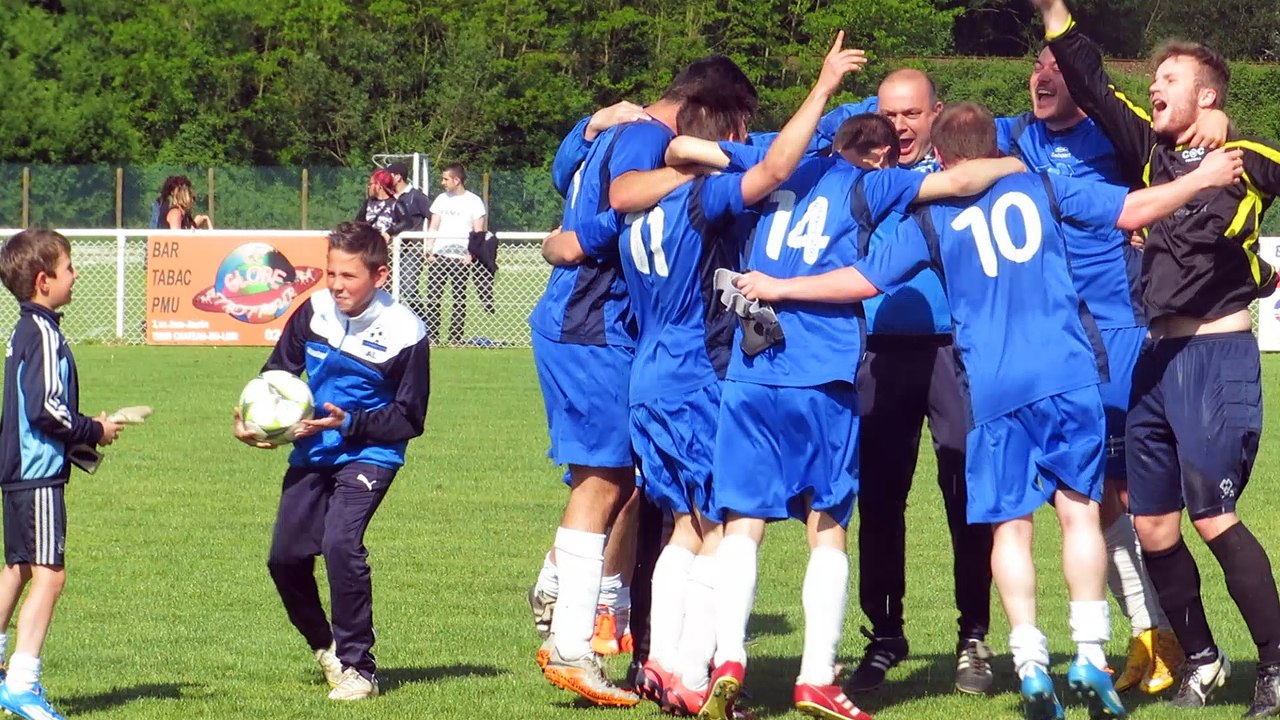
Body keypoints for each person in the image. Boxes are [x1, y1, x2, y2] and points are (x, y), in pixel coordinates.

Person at [732, 102, 1244, 720]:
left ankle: (1029, 663)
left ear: (942, 158)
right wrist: (1201, 177)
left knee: (1010, 527)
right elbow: (1131, 209)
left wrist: (781, 287)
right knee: (1080, 514)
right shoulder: (1042, 182)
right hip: (1065, 373)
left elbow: (863, 281)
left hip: (994, 388)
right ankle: (1088, 653)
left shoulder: (930, 217)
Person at [665, 102, 1025, 718]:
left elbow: (684, 150)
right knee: (828, 525)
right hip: (820, 370)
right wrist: (1020, 163)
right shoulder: (869, 182)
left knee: (742, 525)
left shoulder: (777, 166)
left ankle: (728, 660)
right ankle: (814, 676)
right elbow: (961, 179)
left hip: (751, 373)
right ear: (878, 152)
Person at [544, 36, 869, 715]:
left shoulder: (632, 210)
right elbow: (775, 167)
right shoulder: (705, 197)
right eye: (738, 128)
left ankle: (661, 666)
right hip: (697, 371)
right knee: (720, 525)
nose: (745, 137)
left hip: (648, 373)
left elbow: (563, 245)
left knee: (685, 527)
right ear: (718, 129)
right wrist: (825, 88)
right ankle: (690, 672)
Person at [1035, 0, 1280, 713]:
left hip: (1216, 358)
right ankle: (1203, 656)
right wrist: (1056, 15)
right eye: (1154, 78)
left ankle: (1275, 664)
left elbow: (1272, 169)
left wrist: (1232, 140)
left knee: (1214, 517)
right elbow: (1092, 83)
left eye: (1169, 76)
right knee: (1151, 525)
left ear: (1206, 94)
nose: (1155, 86)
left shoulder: (1244, 159)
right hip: (1154, 360)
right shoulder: (1154, 156)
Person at [994, 44, 1230, 695]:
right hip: (1051, 346)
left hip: (1115, 335)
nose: (1041, 76)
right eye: (1034, 67)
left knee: (1131, 496)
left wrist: (1216, 131)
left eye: (1055, 68)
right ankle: (1153, 632)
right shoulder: (1011, 136)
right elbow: (934, 125)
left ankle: (1178, 638)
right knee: (1085, 497)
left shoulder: (1115, 140)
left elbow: (1178, 155)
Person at [528, 54, 758, 709]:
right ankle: (569, 634)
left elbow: (562, 171)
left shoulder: (615, 128)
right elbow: (620, 200)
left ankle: (582, 611)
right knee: (603, 480)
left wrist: (586, 124)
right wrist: (576, 238)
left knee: (617, 480)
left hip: (589, 323)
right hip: (592, 321)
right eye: (734, 126)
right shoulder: (652, 140)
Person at [232, 221, 430, 701]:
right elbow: (277, 374)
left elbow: (410, 416)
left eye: (348, 276)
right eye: (330, 273)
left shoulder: (406, 331)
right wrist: (254, 422)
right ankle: (328, 648)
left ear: (379, 275)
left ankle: (360, 668)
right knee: (284, 560)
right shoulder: (315, 310)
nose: (336, 285)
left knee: (341, 544)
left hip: (371, 452)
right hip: (313, 450)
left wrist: (348, 422)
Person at [0, 228, 124, 720]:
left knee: (19, 567)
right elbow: (46, 410)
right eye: (69, 268)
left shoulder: (24, 330)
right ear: (43, 280)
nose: (75, 276)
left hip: (15, 471)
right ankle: (22, 683)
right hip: (37, 474)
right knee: (50, 576)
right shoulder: (44, 334)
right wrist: (95, 428)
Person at [425, 163, 487, 346]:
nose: (442, 182)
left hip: (461, 259)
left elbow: (479, 230)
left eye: (445, 179)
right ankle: (432, 336)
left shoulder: (474, 201)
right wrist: (429, 249)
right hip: (439, 255)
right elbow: (433, 225)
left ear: (456, 179)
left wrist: (472, 254)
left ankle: (455, 338)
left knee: (459, 298)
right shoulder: (441, 200)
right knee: (433, 297)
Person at [384, 162, 432, 320]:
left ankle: (424, 323)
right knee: (386, 289)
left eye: (388, 174)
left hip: (411, 249)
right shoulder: (386, 196)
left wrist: (428, 243)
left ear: (397, 177)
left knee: (408, 287)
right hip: (389, 250)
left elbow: (433, 218)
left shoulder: (416, 196)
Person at [355, 169, 398, 235]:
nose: (369, 187)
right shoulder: (368, 203)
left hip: (390, 244)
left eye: (370, 184)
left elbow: (407, 223)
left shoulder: (396, 204)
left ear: (378, 185)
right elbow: (357, 223)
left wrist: (389, 233)